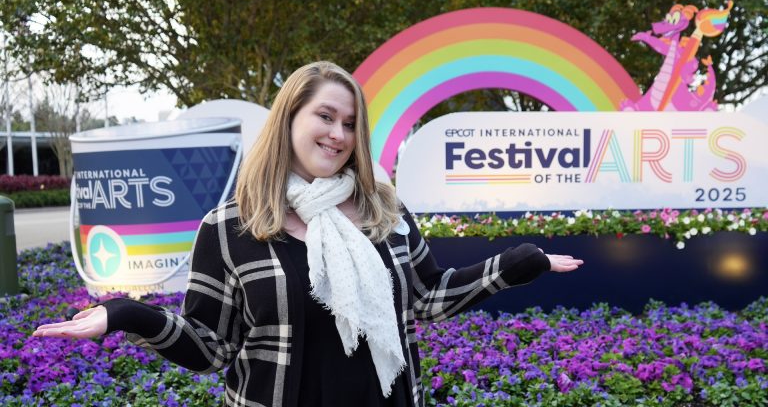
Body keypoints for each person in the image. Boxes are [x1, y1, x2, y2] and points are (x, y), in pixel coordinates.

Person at [33, 61, 583, 407]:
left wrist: (517, 265)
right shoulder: (229, 228)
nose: (339, 134)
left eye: (350, 124)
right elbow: (210, 347)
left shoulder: (384, 213)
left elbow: (427, 298)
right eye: (326, 117)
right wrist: (124, 314)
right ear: (290, 118)